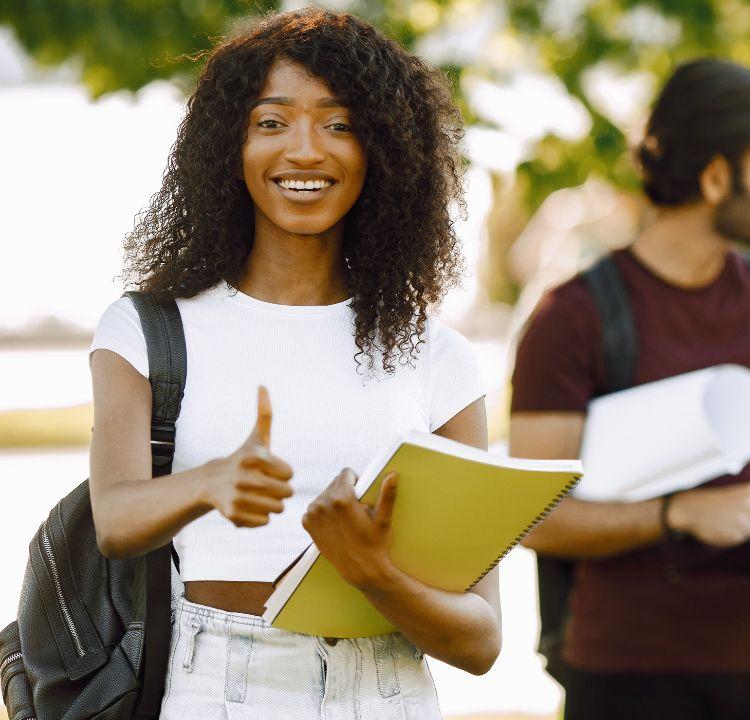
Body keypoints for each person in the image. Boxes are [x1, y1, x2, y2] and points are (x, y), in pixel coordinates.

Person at [86, 9, 498, 718]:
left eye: (338, 124)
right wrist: (209, 482)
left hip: (387, 689)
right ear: (228, 146)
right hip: (213, 686)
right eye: (271, 122)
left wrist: (373, 574)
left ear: (384, 151)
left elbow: (484, 640)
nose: (305, 151)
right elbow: (115, 519)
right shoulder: (150, 330)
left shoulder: (439, 358)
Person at [509, 58, 750, 720]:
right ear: (716, 177)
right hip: (625, 678)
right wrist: (678, 512)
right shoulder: (573, 317)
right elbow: (532, 518)